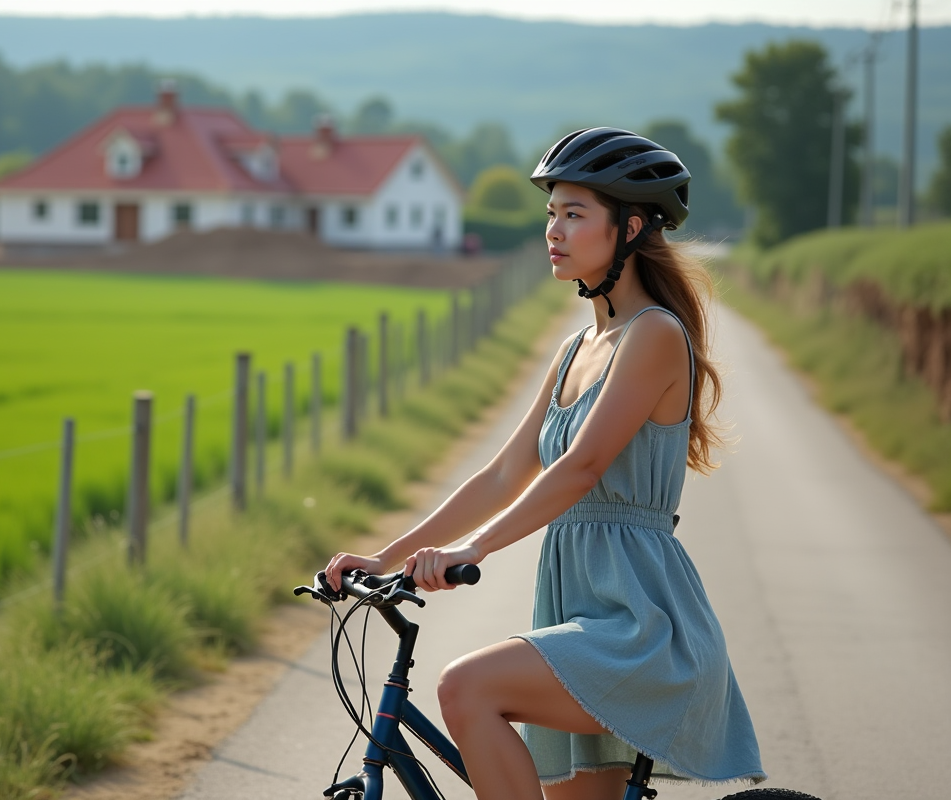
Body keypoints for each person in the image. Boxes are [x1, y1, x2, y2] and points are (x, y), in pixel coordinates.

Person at [324, 128, 765, 800]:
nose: (554, 230)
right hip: (575, 614)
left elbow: (582, 465)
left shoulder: (652, 334)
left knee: (464, 687)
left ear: (631, 227)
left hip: (639, 627)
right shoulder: (573, 349)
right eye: (550, 214)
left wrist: (471, 548)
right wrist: (384, 558)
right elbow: (502, 475)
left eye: (575, 214)